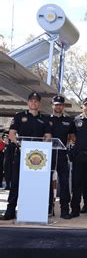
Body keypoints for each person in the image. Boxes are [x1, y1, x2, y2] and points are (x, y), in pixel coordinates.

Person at [1, 92, 52, 220]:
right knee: (16, 183)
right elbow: (12, 134)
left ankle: (35, 210)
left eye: (36, 101)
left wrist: (41, 147)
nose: (33, 103)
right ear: (28, 102)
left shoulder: (45, 119)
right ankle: (10, 210)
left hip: (39, 158)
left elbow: (48, 136)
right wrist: (19, 145)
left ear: (39, 104)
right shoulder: (19, 116)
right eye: (31, 101)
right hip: (22, 154)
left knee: (36, 184)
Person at [49, 95, 76, 219]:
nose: (58, 106)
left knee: (64, 183)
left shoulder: (69, 121)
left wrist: (71, 142)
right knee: (48, 183)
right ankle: (49, 208)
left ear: (63, 106)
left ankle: (65, 209)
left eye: (60, 104)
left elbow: (72, 137)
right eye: (56, 104)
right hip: (48, 156)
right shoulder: (46, 119)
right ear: (52, 106)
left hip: (62, 156)